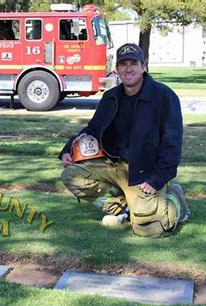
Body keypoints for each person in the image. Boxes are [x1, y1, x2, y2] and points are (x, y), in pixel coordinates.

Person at [59, 43, 190, 237]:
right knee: (72, 175)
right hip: (114, 165)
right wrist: (68, 149)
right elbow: (93, 130)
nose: (128, 69)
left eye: (133, 63)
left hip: (144, 172)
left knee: (151, 230)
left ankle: (175, 199)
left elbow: (172, 142)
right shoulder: (111, 96)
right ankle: (121, 208)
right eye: (123, 64)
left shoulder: (164, 96)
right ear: (117, 69)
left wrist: (159, 178)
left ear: (143, 66)